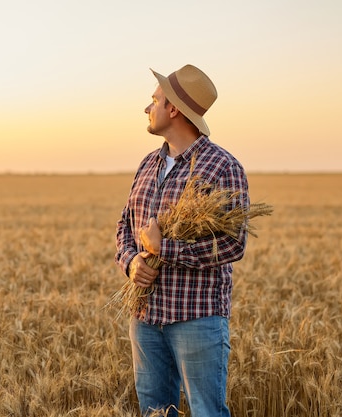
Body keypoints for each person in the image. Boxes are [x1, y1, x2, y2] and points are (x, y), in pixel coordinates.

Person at [115, 64, 250, 417]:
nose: (147, 107)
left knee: (207, 412)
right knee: (155, 412)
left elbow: (233, 244)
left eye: (155, 100)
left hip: (197, 318)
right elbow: (124, 227)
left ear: (173, 109)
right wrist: (131, 263)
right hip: (145, 316)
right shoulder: (147, 165)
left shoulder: (222, 167)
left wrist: (165, 250)